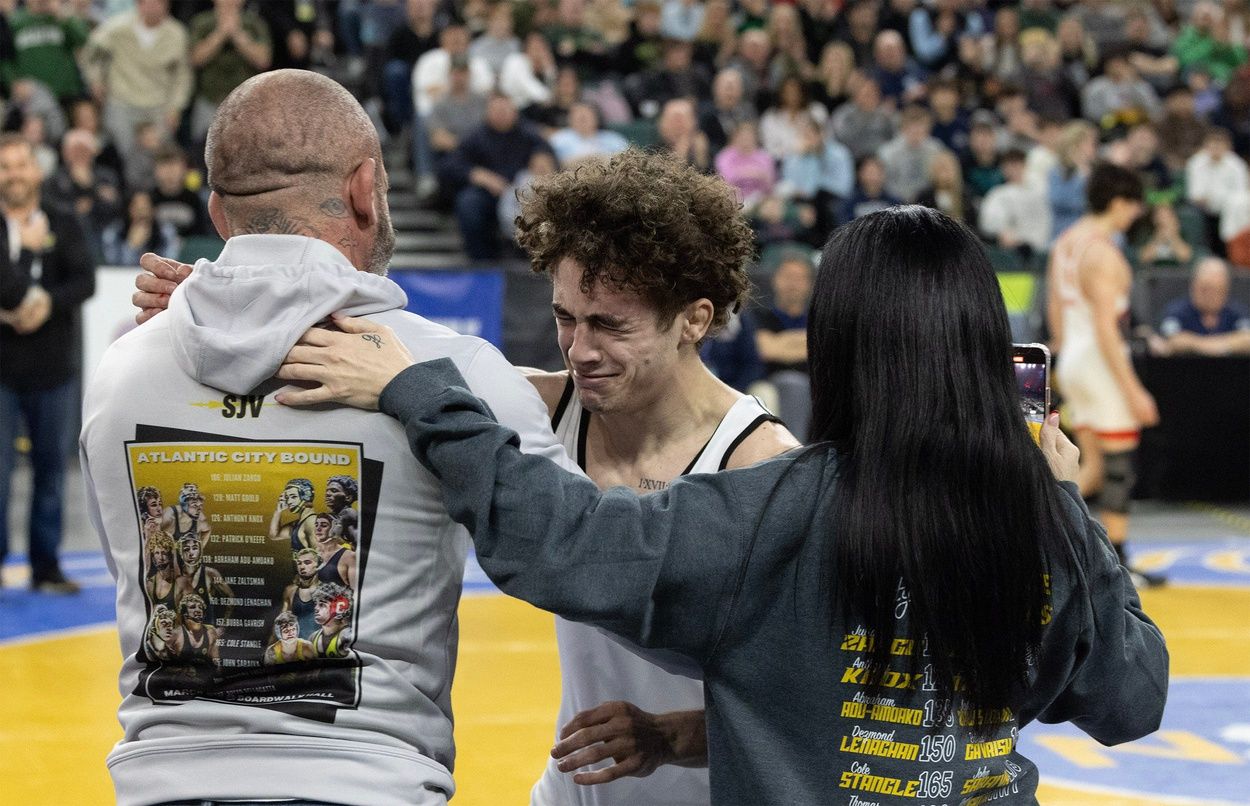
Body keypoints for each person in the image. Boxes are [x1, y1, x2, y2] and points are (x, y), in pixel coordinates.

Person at [274, 205, 1168, 806]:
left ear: (836, 347)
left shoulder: (776, 511)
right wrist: (1065, 507)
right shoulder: (1043, 530)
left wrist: (418, 391)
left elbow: (564, 543)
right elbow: (1131, 698)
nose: (581, 347)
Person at [134, 145, 801, 805]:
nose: (580, 349)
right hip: (573, 794)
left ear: (694, 319)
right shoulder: (540, 408)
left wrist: (670, 737)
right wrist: (219, 305)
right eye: (565, 318)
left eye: (609, 325)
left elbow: (803, 695)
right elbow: (377, 362)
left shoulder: (761, 463)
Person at [80, 69, 570, 805]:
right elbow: (582, 553)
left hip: (160, 784)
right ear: (366, 190)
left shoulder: (120, 374)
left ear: (218, 213)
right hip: (368, 781)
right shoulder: (456, 375)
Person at [1047, 162, 1163, 589]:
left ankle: (1043, 532)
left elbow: (1055, 307)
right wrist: (1134, 390)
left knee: (1090, 465)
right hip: (1099, 361)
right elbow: (1105, 327)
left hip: (1075, 359)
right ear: (1118, 202)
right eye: (1133, 205)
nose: (1135, 215)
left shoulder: (1066, 242)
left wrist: (1063, 361)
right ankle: (1118, 562)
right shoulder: (1103, 253)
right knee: (1118, 466)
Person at [0, 133, 95, 594]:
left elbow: (86, 281)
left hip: (53, 369)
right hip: (2, 371)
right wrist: (24, 248)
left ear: (36, 170)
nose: (14, 174)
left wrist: (44, 305)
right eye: (5, 167)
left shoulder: (63, 219)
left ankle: (46, 567)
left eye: (21, 164)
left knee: (51, 472)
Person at [1152, 257, 1250, 356]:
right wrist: (1225, 345)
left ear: (1226, 290)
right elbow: (1172, 341)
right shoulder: (1176, 311)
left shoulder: (1237, 312)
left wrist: (1195, 344)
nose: (1211, 296)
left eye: (1217, 290)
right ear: (1193, 286)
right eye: (1206, 289)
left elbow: (1247, 339)